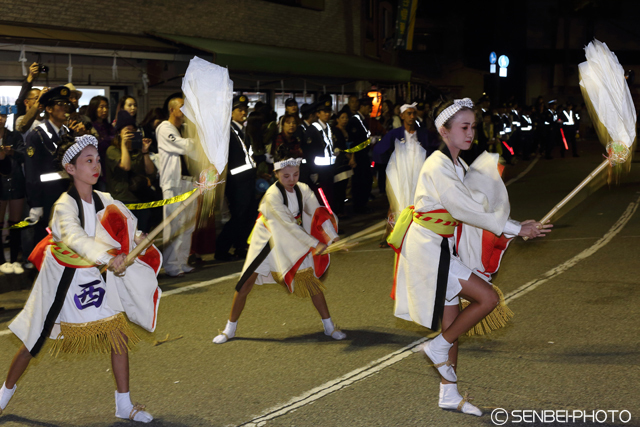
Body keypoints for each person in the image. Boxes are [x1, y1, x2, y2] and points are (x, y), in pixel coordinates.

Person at [388, 98, 552, 416]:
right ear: (444, 131)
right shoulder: (438, 166)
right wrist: (517, 228)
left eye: (473, 126)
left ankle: (449, 394)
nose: (471, 132)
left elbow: (478, 204)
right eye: (464, 127)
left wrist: (517, 227)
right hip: (427, 250)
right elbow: (467, 209)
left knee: (453, 324)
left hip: (440, 247)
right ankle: (436, 345)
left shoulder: (455, 164)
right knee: (487, 298)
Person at [0, 135, 161, 422]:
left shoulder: (105, 199)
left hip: (89, 276)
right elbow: (75, 238)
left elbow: (123, 228)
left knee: (117, 333)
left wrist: (140, 240)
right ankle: (2, 395)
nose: (96, 165)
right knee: (32, 342)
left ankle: (123, 404)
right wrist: (109, 257)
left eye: (97, 159)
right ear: (70, 168)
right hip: (60, 280)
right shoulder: (64, 205)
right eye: (88, 161)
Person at [212, 146, 346, 344]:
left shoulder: (303, 189)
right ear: (276, 173)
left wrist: (333, 237)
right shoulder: (272, 195)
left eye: (295, 174)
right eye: (286, 176)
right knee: (245, 284)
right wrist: (315, 243)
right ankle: (229, 328)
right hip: (267, 240)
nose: (292, 180)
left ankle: (329, 326)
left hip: (292, 238)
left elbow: (318, 213)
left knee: (310, 281)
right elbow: (288, 225)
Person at [23, 86, 74, 244]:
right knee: (46, 240)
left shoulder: (68, 133)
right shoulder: (37, 135)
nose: (64, 108)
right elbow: (32, 171)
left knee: (66, 237)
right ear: (49, 109)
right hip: (46, 196)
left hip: (67, 192)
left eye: (66, 105)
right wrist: (36, 204)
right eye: (60, 104)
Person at [156, 97, 197, 276]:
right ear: (172, 110)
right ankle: (172, 265)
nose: (185, 110)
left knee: (188, 224)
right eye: (181, 107)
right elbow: (183, 146)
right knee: (174, 225)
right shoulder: (164, 128)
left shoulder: (185, 129)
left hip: (189, 180)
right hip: (173, 183)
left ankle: (182, 261)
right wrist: (198, 142)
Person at [373, 102, 433, 219]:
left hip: (419, 175)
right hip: (402, 176)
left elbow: (431, 150)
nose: (411, 116)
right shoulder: (394, 134)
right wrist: (391, 163)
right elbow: (379, 150)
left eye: (414, 113)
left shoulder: (423, 133)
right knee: (400, 204)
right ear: (402, 116)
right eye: (408, 114)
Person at [215, 95, 256, 262]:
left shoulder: (241, 130)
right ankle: (222, 250)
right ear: (231, 113)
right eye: (239, 109)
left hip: (247, 179)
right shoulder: (229, 130)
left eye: (245, 109)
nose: (243, 112)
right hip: (237, 181)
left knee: (248, 215)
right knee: (238, 216)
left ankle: (240, 246)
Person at [106, 111, 158, 233]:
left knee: (142, 235)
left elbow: (151, 172)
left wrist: (145, 151)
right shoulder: (112, 150)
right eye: (127, 131)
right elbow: (125, 166)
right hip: (122, 200)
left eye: (132, 131)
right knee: (125, 237)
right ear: (119, 132)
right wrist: (124, 145)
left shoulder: (137, 150)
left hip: (141, 199)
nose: (130, 134)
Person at [0, 111, 26, 274]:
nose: (0, 119)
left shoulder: (14, 136)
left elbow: (24, 156)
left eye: (2, 115)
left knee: (16, 222)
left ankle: (15, 260)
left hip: (15, 180)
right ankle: (2, 261)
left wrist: (10, 152)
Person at [303, 97, 336, 210]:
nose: (327, 114)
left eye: (329, 111)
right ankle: (323, 224)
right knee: (322, 199)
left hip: (329, 168)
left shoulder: (328, 128)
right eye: (324, 112)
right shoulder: (313, 129)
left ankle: (330, 223)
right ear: (318, 114)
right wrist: (313, 171)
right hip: (318, 170)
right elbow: (309, 152)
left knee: (330, 196)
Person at [347, 96, 375, 214]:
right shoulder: (355, 120)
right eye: (368, 107)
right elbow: (354, 140)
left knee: (366, 179)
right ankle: (358, 205)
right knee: (359, 181)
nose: (369, 109)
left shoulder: (362, 119)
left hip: (364, 154)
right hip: (358, 155)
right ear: (362, 107)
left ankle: (363, 204)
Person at [332, 108, 356, 217]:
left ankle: (342, 208)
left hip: (348, 161)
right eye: (342, 118)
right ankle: (338, 210)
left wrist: (352, 157)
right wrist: (350, 157)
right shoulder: (335, 131)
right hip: (340, 161)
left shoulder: (348, 130)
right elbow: (339, 147)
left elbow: (352, 145)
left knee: (346, 186)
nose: (345, 120)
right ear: (337, 119)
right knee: (339, 187)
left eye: (346, 118)